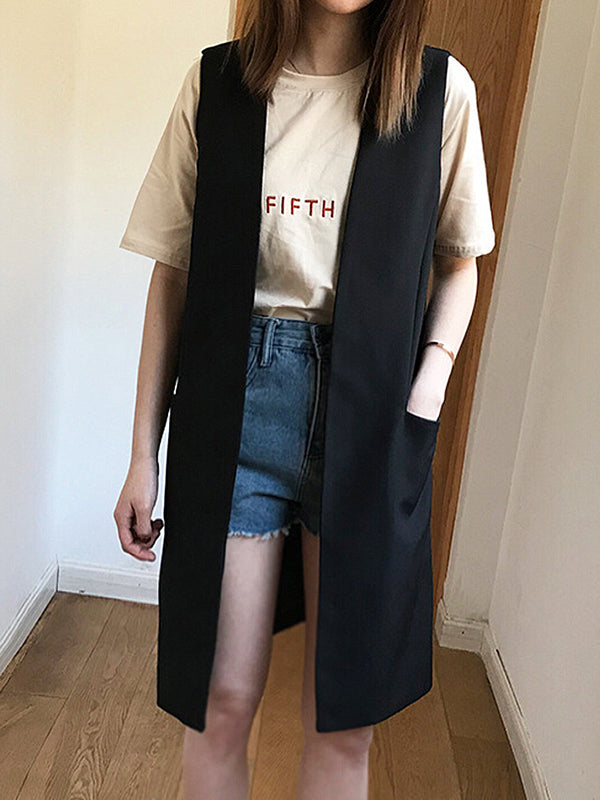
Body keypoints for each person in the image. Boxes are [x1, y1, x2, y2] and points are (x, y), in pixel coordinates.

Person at [113, 0, 495, 797]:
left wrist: (426, 390)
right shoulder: (218, 85)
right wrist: (143, 454)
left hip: (375, 416)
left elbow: (460, 259)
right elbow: (172, 275)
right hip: (235, 406)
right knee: (219, 704)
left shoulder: (438, 92)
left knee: (343, 719)